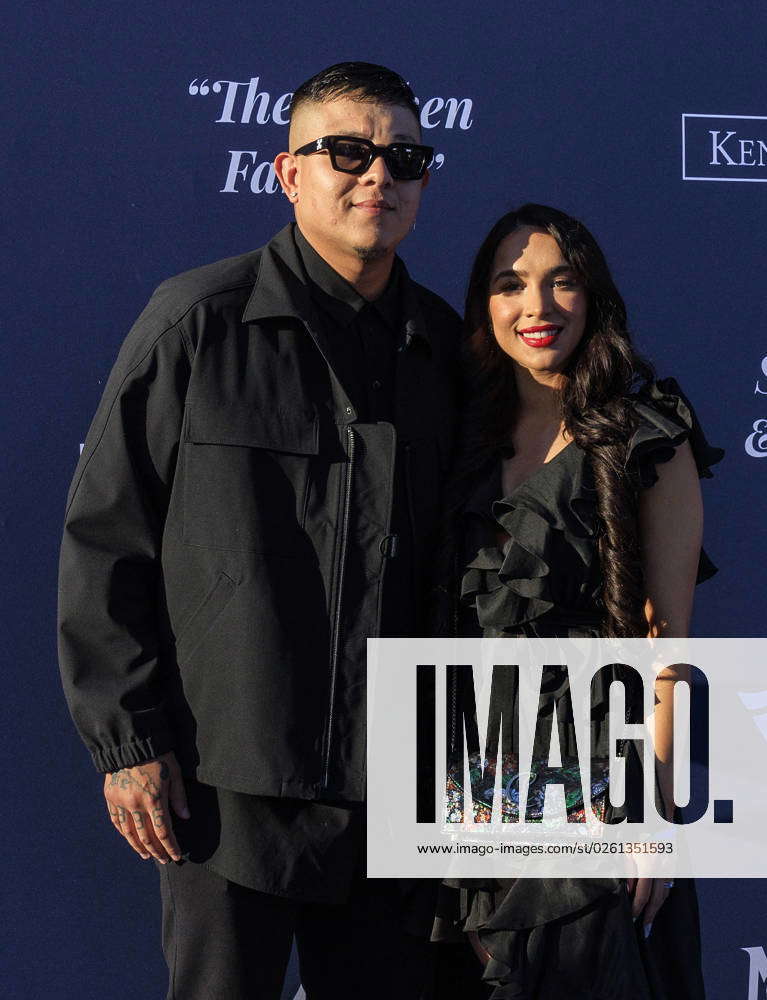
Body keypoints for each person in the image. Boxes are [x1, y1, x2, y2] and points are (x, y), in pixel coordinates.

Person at [57, 62, 462, 999]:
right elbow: (106, 540)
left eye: (402, 155)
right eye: (347, 151)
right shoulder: (198, 323)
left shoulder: (446, 349)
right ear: (287, 172)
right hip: (225, 785)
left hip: (393, 799)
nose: (377, 176)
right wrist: (128, 743)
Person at [431, 203, 722, 998]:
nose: (536, 307)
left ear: (592, 297)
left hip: (595, 780)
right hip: (464, 781)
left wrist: (651, 812)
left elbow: (665, 647)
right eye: (510, 285)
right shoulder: (454, 438)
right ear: (482, 304)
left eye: (561, 282)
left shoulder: (646, 440)